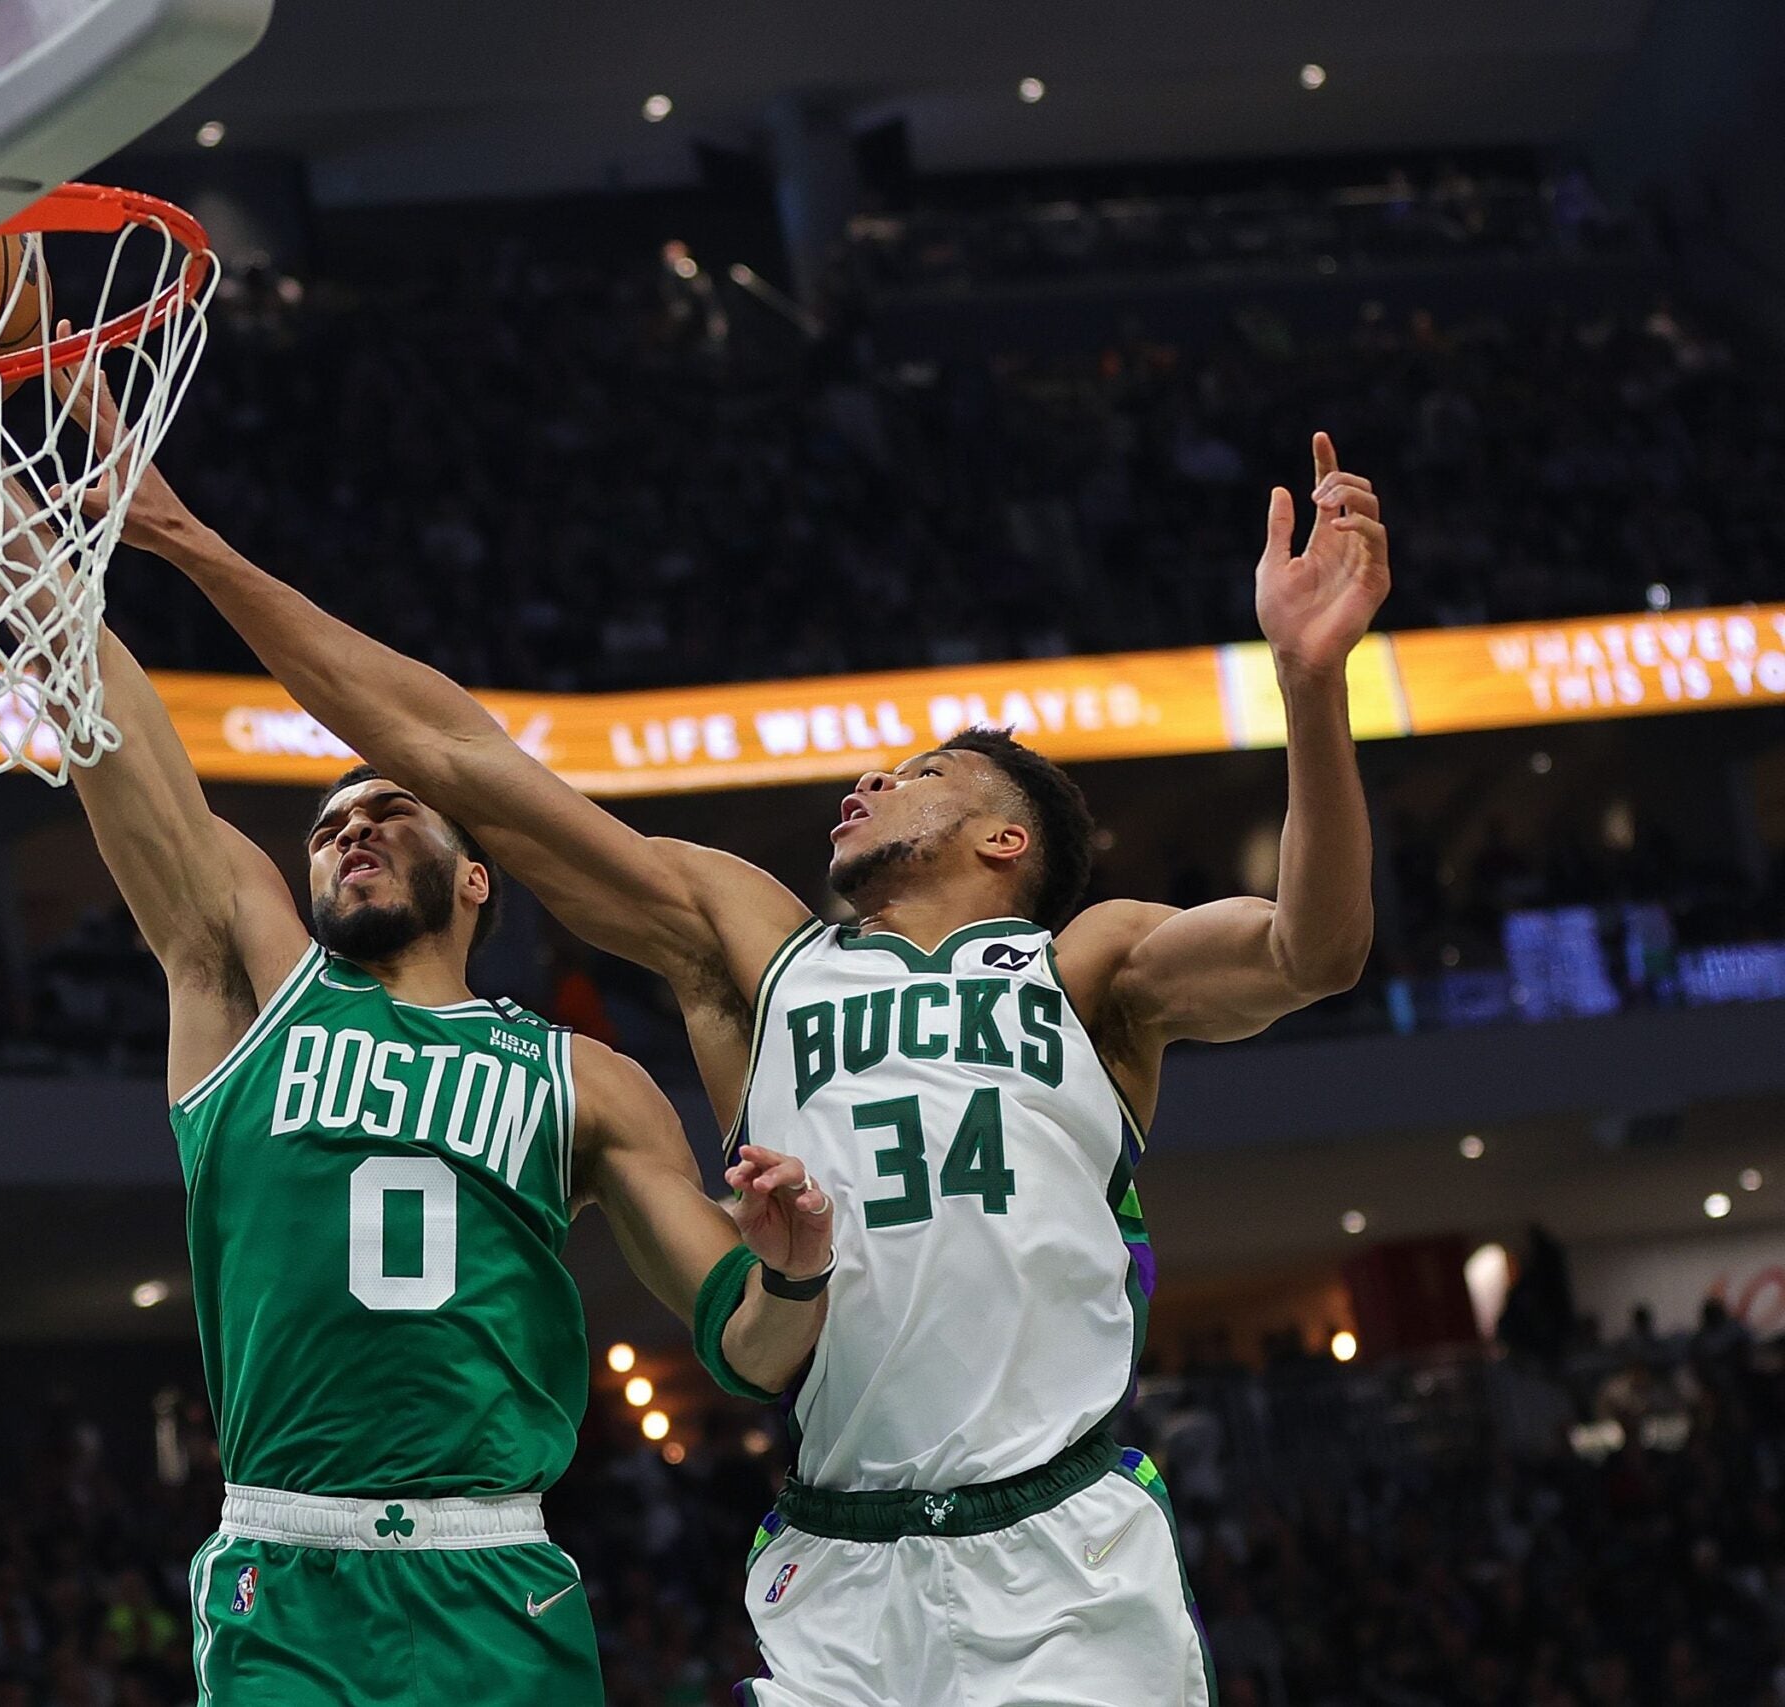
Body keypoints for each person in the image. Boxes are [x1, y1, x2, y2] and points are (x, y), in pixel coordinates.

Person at [127, 422, 1390, 1706]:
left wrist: (1307, 686)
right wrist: (192, 547)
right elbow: (459, 759)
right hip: (840, 1565)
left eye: (918, 775)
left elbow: (1314, 947)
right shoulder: (751, 948)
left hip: (1062, 1547)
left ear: (1008, 837)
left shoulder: (1090, 970)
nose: (867, 781)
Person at [0, 367, 835, 1707]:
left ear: (477, 880)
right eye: (329, 823)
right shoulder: (245, 978)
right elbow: (84, 679)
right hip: (286, 1564)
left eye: (386, 808)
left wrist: (796, 1272)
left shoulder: (585, 1077)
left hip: (495, 1574)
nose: (349, 829)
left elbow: (749, 1348)